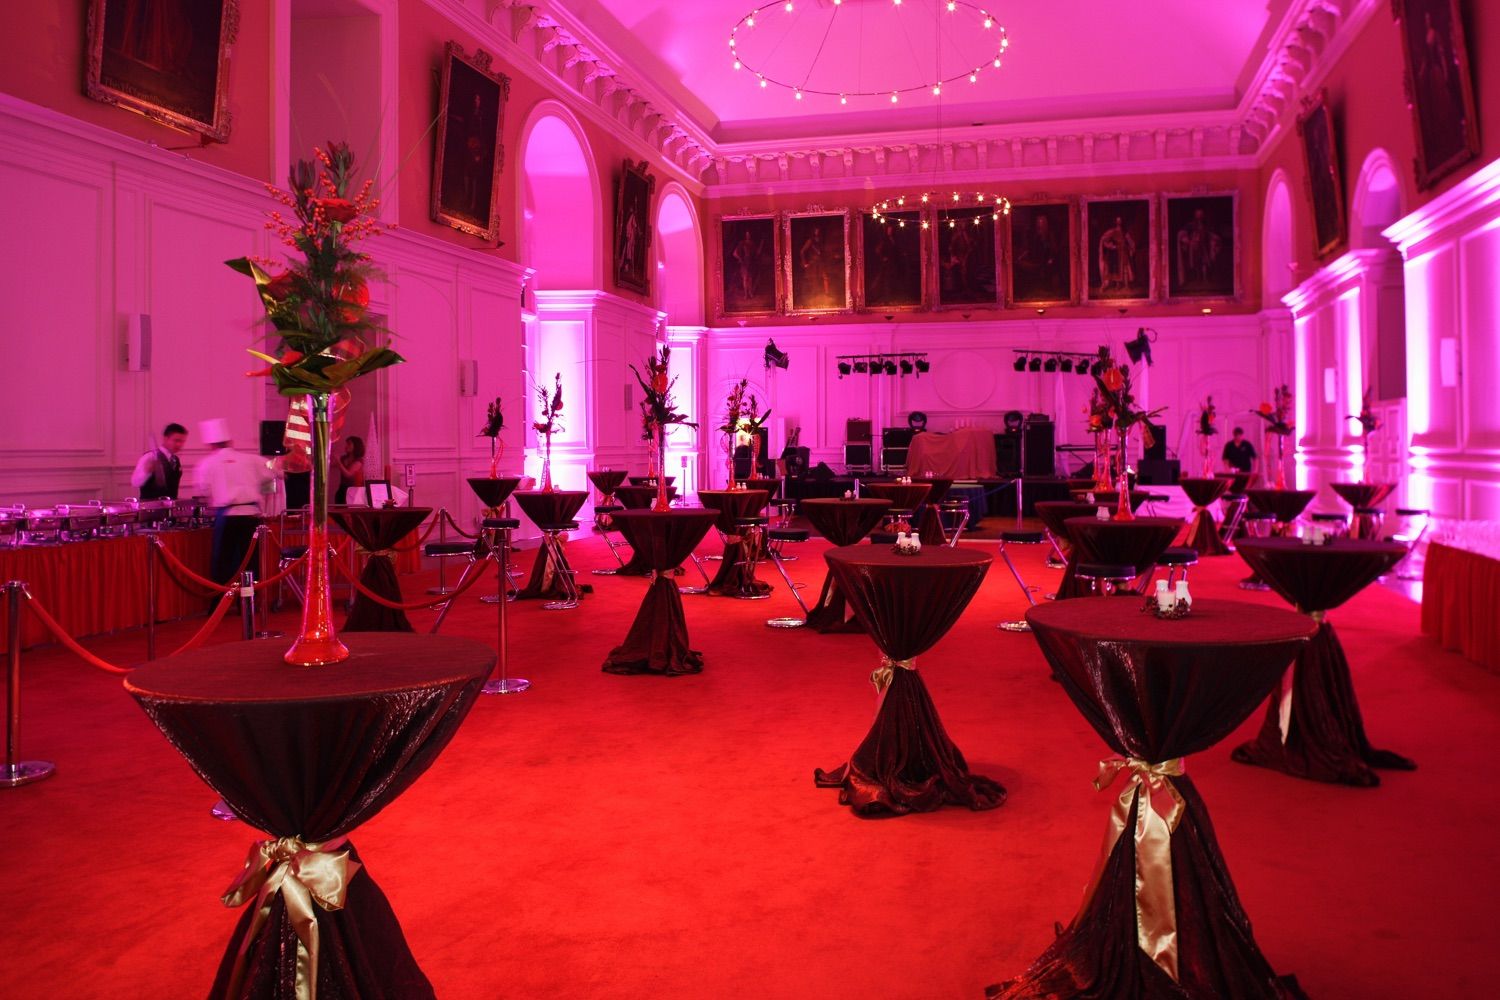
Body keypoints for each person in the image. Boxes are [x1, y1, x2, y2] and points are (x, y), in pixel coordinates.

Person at [194, 418, 273, 585]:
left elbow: (204, 490)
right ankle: (249, 601)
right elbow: (274, 472)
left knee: (223, 561)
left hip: (227, 516)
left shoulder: (207, 463)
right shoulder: (251, 459)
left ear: (212, 445)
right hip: (251, 516)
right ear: (230, 441)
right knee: (250, 560)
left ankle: (222, 601)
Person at [131, 422, 187, 500]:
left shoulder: (175, 460)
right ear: (166, 438)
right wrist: (147, 471)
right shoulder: (149, 457)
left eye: (182, 441)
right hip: (150, 508)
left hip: (169, 507)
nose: (179, 445)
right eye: (176, 440)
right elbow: (135, 483)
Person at [334, 436, 366, 504]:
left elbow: (348, 474)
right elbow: (331, 465)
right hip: (341, 489)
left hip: (352, 491)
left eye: (349, 444)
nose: (346, 446)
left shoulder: (359, 461)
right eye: (346, 444)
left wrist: (338, 462)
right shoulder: (343, 458)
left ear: (356, 446)